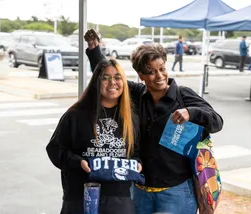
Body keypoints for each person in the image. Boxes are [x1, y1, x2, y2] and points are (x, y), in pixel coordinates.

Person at [85, 29, 223, 214]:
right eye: (150, 72)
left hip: (176, 192)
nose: (159, 76)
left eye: (162, 69)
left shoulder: (182, 95)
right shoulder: (136, 95)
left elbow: (217, 121)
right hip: (140, 191)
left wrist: (191, 112)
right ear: (140, 75)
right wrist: (94, 49)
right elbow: (111, 78)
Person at [46, 53, 142, 214]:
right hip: (80, 195)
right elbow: (55, 149)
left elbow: (135, 151)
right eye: (105, 78)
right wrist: (77, 162)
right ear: (97, 82)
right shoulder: (76, 115)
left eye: (117, 77)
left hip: (118, 198)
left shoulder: (130, 117)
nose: (112, 82)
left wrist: (137, 163)